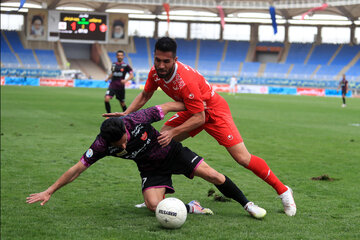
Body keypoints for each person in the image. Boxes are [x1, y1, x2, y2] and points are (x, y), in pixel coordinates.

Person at [104, 37, 296, 216]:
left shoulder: (185, 81)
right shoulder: (155, 73)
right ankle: (157, 199)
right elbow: (145, 95)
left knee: (243, 158)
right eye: (157, 60)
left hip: (212, 112)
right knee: (159, 143)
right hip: (194, 110)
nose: (161, 66)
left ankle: (283, 191)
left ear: (175, 60)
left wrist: (175, 132)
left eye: (166, 62)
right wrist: (126, 113)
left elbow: (200, 118)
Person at [26, 102, 267, 219]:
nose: (122, 146)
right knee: (154, 206)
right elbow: (77, 169)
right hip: (150, 167)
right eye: (117, 146)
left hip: (171, 151)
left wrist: (196, 106)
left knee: (213, 175)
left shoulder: (137, 118)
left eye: (124, 140)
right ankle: (191, 207)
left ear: (125, 127)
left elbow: (170, 105)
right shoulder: (100, 145)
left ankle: (247, 204)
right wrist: (49, 191)